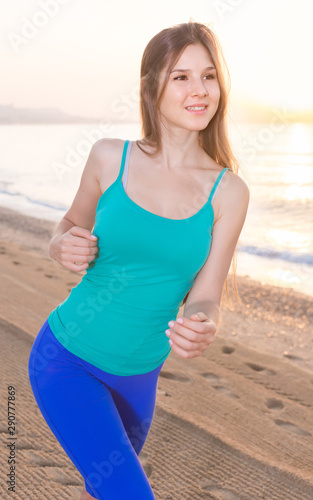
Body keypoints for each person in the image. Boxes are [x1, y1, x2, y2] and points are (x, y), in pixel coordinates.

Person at [28, 21, 250, 500]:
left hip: (140, 379)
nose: (200, 90)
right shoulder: (110, 158)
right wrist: (61, 244)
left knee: (102, 490)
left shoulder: (229, 192)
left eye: (209, 76)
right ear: (152, 89)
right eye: (181, 77)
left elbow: (206, 295)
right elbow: (66, 226)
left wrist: (201, 323)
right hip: (67, 359)